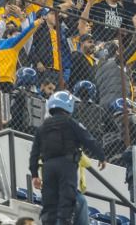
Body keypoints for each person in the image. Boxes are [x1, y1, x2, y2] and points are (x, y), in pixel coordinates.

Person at [29, 91, 107, 225]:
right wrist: (101, 156)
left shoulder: (42, 128)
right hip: (66, 165)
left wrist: (34, 174)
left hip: (48, 168)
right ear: (68, 105)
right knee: (67, 202)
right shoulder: (71, 123)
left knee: (49, 203)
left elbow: (34, 153)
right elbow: (89, 139)